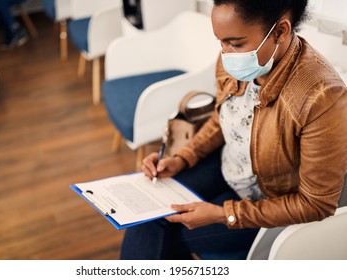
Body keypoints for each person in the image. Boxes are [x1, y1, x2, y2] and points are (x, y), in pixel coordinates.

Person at [120, 0, 347, 260]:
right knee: (145, 213)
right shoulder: (236, 59)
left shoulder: (322, 96)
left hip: (269, 202)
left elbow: (315, 204)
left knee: (163, 232)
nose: (226, 54)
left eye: (236, 44)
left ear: (280, 32)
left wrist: (222, 214)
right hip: (228, 165)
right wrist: (181, 158)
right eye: (221, 42)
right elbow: (224, 118)